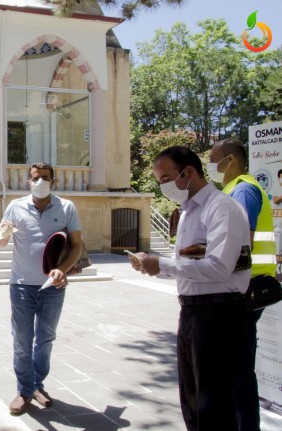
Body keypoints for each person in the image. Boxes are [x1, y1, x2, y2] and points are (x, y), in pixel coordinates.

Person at [129, 146, 252, 431]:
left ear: (189, 172)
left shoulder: (222, 207)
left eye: (166, 179)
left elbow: (218, 267)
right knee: (192, 400)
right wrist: (155, 268)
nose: (163, 187)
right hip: (192, 314)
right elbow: (186, 264)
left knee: (215, 405)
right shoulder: (187, 212)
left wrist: (162, 264)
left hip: (219, 314)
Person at [0, 162, 83, 416]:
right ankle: (24, 390)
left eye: (45, 177)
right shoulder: (15, 206)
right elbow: (0, 240)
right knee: (22, 340)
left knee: (45, 339)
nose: (40, 182)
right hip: (21, 285)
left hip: (53, 286)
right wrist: (2, 236)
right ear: (28, 181)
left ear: (53, 181)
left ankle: (37, 385)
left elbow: (76, 244)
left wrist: (62, 269)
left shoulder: (66, 207)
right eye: (35, 178)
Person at [208, 138, 276, 431]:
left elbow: (240, 243)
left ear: (231, 160)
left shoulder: (244, 189)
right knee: (235, 366)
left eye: (214, 157)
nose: (210, 162)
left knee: (238, 369)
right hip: (242, 286)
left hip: (245, 289)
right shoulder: (231, 190)